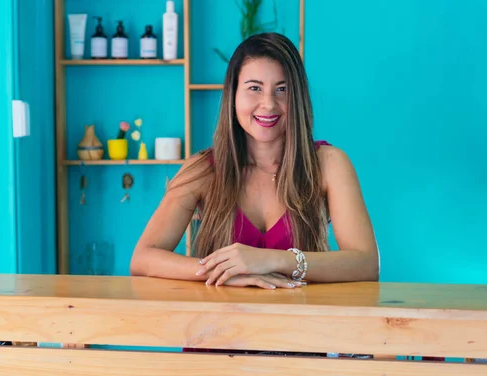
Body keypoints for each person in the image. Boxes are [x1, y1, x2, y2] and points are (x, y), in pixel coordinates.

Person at [131, 32, 379, 289]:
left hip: (305, 324)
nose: (269, 104)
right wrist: (228, 271)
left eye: (282, 89)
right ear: (233, 94)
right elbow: (143, 258)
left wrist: (271, 260)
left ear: (299, 98)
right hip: (220, 326)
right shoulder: (202, 169)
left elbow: (366, 264)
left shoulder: (331, 164)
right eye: (254, 88)